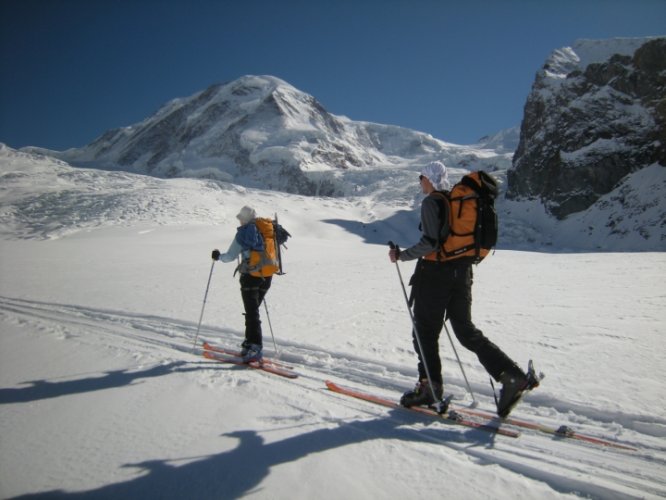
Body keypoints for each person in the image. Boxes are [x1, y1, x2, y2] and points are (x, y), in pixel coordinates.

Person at [389, 161, 529, 417]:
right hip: (462, 272)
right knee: (464, 330)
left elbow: (431, 243)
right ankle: (512, 376)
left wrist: (402, 255)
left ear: (430, 179)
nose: (420, 182)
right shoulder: (454, 202)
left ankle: (429, 388)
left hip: (435, 275)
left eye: (421, 177)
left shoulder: (433, 202)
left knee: (424, 332)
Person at [211, 206, 272, 362]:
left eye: (240, 218)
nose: (239, 220)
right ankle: (249, 342)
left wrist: (218, 257)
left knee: (252, 312)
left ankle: (255, 347)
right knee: (253, 311)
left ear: (244, 219)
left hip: (251, 275)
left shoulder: (244, 232)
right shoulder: (266, 229)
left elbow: (230, 256)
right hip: (267, 274)